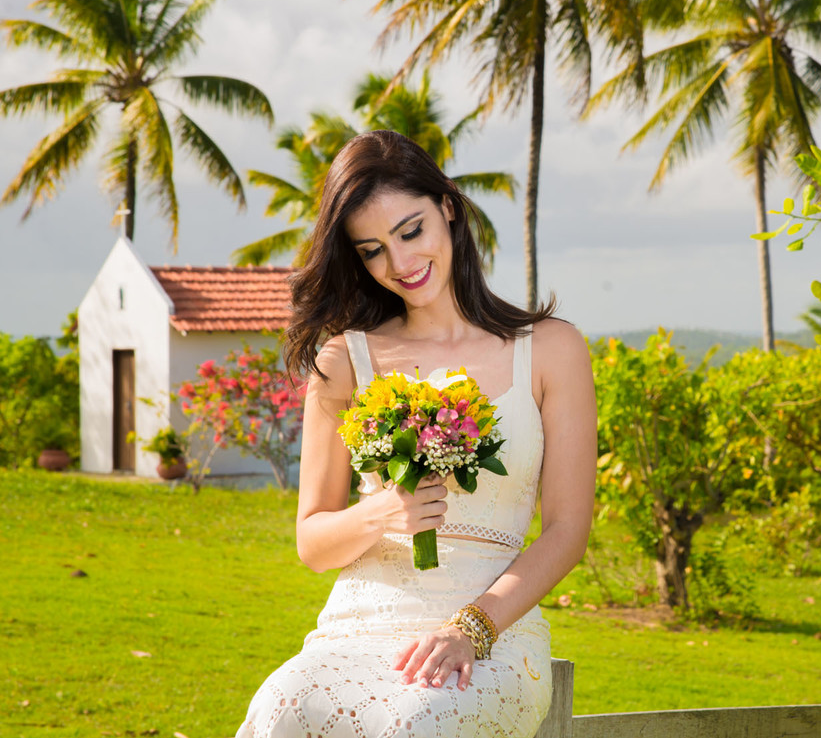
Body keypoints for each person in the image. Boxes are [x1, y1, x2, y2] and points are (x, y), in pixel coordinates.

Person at [235, 130, 598, 738]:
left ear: (448, 208)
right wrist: (380, 512)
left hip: (491, 631)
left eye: (410, 231)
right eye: (373, 250)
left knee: (417, 723)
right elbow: (312, 542)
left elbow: (566, 531)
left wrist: (471, 628)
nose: (400, 264)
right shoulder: (343, 361)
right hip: (355, 626)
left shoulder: (551, 350)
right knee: (280, 709)